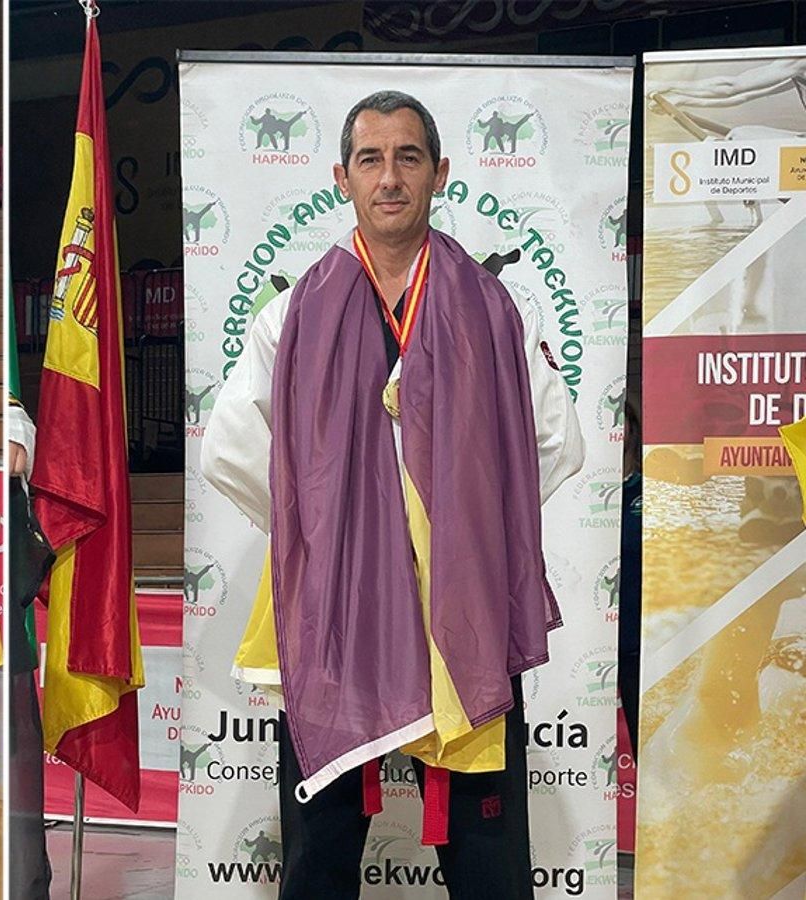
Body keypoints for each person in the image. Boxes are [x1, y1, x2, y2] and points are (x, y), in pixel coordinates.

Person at [200, 90, 584, 900]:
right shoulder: (296, 312)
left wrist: (470, 533)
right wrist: (328, 536)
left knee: (485, 858)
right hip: (336, 611)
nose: (390, 177)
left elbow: (553, 441)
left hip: (461, 610)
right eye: (370, 160)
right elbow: (232, 447)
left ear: (439, 172)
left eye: (408, 157)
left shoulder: (491, 307)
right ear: (343, 177)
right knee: (322, 853)